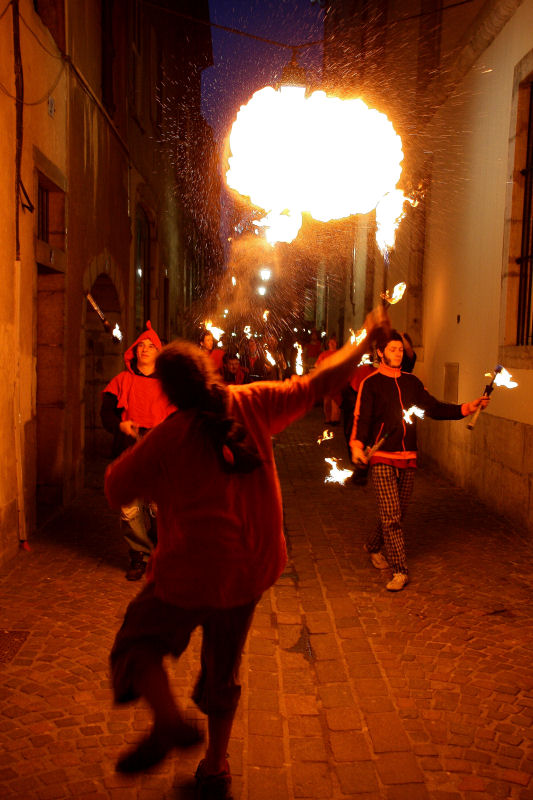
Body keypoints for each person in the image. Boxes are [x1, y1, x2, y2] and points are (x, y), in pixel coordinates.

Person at [104, 306, 389, 794]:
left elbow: (114, 488)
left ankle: (170, 720)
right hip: (250, 570)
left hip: (188, 574)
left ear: (169, 391)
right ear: (209, 371)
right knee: (224, 666)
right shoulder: (254, 401)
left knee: (137, 642)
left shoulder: (170, 437)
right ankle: (216, 766)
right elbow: (318, 383)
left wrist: (148, 465)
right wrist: (364, 341)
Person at [350, 329, 489, 593]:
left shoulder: (412, 383)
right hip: (381, 455)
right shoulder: (371, 383)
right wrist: (357, 446)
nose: (398, 353)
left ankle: (372, 545)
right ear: (380, 353)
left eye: (400, 349)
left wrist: (466, 408)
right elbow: (362, 418)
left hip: (409, 455)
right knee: (391, 515)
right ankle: (400, 569)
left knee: (397, 513)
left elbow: (433, 408)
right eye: (392, 349)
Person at [100, 322, 175, 581]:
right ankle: (138, 555)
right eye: (140, 345)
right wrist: (120, 424)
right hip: (128, 450)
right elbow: (105, 413)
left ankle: (160, 550)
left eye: (150, 346)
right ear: (134, 351)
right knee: (129, 508)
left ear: (159, 352)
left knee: (158, 506)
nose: (144, 349)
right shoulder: (122, 381)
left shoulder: (169, 384)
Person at [315, 336, 342, 425]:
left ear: (336, 343)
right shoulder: (324, 354)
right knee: (327, 401)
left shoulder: (340, 353)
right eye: (330, 342)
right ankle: (328, 418)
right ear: (328, 344)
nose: (332, 344)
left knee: (336, 400)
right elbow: (317, 365)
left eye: (334, 342)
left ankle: (335, 419)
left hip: (337, 379)